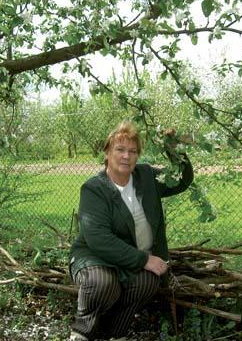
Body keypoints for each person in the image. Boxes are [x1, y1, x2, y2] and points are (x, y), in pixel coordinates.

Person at [68, 121, 194, 341]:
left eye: (132, 151)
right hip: (95, 256)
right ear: (107, 153)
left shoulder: (146, 176)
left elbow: (181, 180)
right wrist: (144, 260)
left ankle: (115, 332)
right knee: (102, 284)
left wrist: (172, 146)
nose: (126, 156)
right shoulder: (94, 188)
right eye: (120, 149)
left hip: (130, 255)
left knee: (147, 282)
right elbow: (98, 239)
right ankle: (82, 331)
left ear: (138, 156)